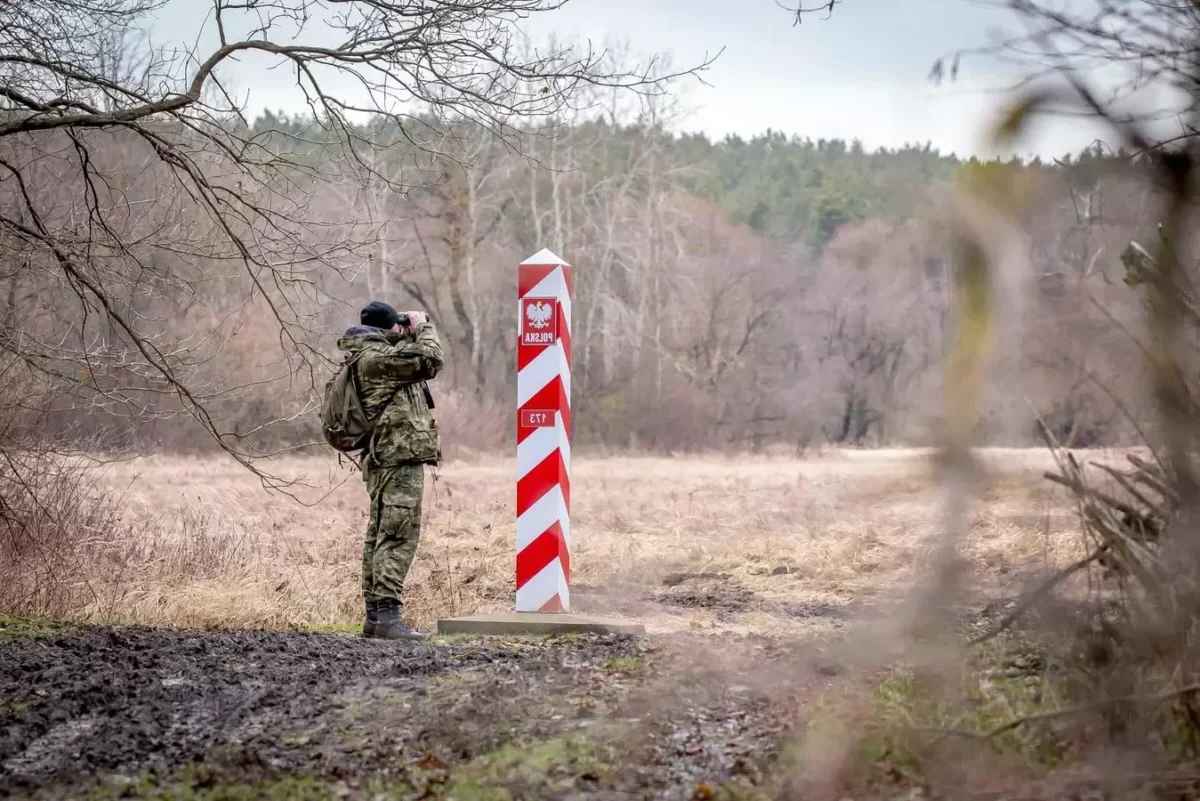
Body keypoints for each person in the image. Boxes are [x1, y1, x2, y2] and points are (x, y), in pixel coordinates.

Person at [337, 300, 443, 640]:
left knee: (381, 533)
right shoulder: (377, 359)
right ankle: (387, 617)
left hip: (388, 456)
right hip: (396, 457)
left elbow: (410, 358)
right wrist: (422, 326)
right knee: (397, 534)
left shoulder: (369, 356)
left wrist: (403, 332)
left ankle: (376, 617)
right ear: (388, 329)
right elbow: (430, 359)